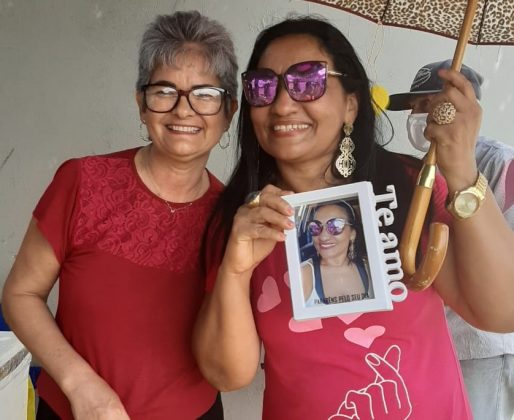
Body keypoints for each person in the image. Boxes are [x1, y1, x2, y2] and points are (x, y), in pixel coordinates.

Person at [192, 15, 514, 420]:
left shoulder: (409, 186)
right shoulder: (243, 221)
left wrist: (463, 171)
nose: (283, 104)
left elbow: (502, 312)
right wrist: (235, 271)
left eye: (307, 81)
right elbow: (227, 375)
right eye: (263, 86)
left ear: (351, 104)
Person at [1, 10, 238, 420]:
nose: (184, 110)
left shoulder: (231, 219)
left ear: (229, 111)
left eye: (205, 94)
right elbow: (21, 295)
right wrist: (81, 385)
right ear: (141, 104)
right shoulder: (82, 181)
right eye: (164, 91)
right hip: (73, 411)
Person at [389, 59, 514, 420]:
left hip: (485, 347)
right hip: (440, 345)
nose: (418, 115)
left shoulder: (500, 164)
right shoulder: (421, 169)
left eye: (428, 104)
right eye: (413, 107)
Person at [301, 201, 371, 306]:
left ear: (352, 234)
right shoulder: (302, 274)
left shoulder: (371, 269)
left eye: (335, 226)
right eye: (315, 227)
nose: (323, 237)